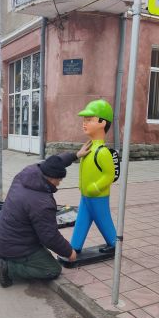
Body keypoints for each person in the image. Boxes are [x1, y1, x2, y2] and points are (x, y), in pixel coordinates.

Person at [0, 144, 91, 288]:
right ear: (52, 179)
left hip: (3, 237)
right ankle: (8, 269)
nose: (60, 183)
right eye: (59, 180)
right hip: (18, 245)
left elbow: (55, 161)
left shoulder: (28, 172)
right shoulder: (41, 202)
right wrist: (69, 252)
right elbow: (49, 236)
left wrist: (76, 155)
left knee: (37, 244)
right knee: (52, 269)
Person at [71, 99, 117, 254]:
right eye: (84, 120)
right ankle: (75, 247)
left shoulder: (102, 152)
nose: (84, 123)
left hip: (98, 195)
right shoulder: (89, 148)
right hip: (86, 194)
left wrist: (96, 187)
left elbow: (109, 174)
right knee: (82, 221)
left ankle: (113, 243)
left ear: (102, 123)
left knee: (103, 220)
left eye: (89, 120)